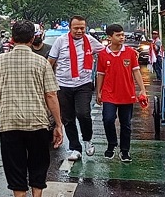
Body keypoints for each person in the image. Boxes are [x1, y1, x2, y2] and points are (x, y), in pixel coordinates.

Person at [0, 21, 63, 197]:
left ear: (12, 38)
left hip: (10, 123)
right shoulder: (42, 62)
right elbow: (51, 95)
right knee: (39, 164)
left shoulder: (0, 61)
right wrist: (58, 124)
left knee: (15, 167)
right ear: (32, 39)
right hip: (37, 123)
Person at [48, 15, 105, 161]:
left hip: (83, 84)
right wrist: (47, 82)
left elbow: (106, 52)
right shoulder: (60, 41)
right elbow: (51, 61)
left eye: (82, 28)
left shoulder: (90, 41)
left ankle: (87, 140)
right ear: (70, 28)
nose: (79, 31)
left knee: (83, 113)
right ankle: (75, 148)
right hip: (63, 85)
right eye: (76, 28)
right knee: (68, 118)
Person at [95, 24, 147, 162]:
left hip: (127, 93)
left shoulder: (130, 52)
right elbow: (100, 74)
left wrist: (142, 89)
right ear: (110, 37)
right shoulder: (103, 54)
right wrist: (98, 91)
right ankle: (112, 144)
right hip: (109, 93)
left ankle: (125, 151)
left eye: (122, 35)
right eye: (118, 35)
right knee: (108, 119)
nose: (122, 37)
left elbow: (136, 71)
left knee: (126, 124)